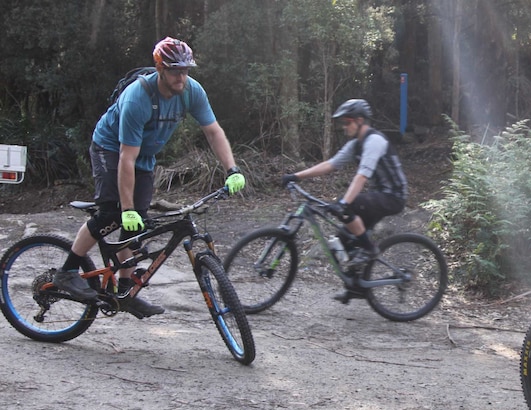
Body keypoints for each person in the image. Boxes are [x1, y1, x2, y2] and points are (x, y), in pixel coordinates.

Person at [52, 37, 245, 318]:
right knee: (111, 214)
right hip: (110, 148)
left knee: (136, 226)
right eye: (175, 70)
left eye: (185, 70)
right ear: (160, 69)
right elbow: (125, 158)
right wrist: (126, 210)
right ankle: (67, 271)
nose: (181, 76)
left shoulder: (192, 91)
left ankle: (126, 290)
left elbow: (213, 131)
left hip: (142, 157)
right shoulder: (138, 98)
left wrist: (232, 169)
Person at [281, 99, 408, 301]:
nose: (344, 126)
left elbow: (362, 176)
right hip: (379, 195)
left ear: (360, 120)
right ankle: (356, 287)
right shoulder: (355, 145)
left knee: (351, 205)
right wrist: (296, 176)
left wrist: (344, 203)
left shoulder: (375, 141)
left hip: (393, 196)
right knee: (343, 239)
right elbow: (330, 165)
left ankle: (370, 249)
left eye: (347, 121)